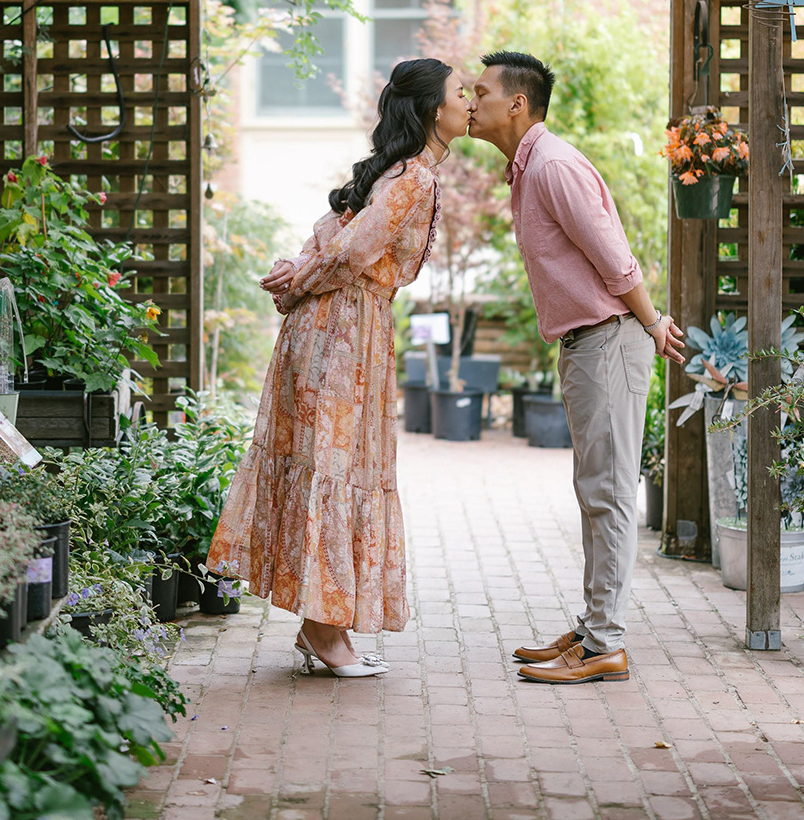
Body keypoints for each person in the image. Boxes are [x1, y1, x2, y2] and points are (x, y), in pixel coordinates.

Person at [207, 57, 468, 677]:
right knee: (335, 464)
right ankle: (325, 633)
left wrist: (297, 272)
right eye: (462, 93)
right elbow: (349, 249)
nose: (470, 102)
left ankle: (319, 626)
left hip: (345, 327)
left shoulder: (399, 172)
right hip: (341, 331)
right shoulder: (411, 178)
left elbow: (330, 232)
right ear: (436, 110)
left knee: (337, 464)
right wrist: (300, 277)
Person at [466, 50, 686, 686]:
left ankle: (605, 645)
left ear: (517, 104)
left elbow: (615, 259)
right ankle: (593, 630)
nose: (470, 103)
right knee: (595, 490)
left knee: (609, 492)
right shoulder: (528, 167)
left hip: (609, 338)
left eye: (480, 92)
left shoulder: (553, 166)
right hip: (589, 343)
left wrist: (651, 322)